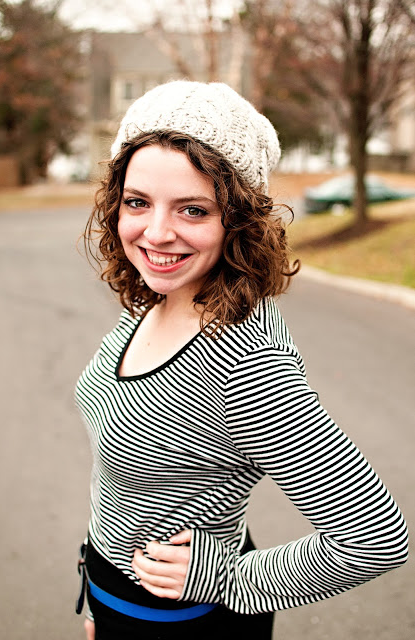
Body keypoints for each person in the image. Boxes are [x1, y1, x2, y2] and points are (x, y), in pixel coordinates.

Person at [75, 81, 408, 640]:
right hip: (115, 605)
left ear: (240, 220)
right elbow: (119, 484)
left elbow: (377, 540)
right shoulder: (163, 295)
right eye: (138, 201)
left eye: (193, 209)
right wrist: (94, 606)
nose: (156, 233)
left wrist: (225, 576)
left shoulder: (244, 361)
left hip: (183, 623)